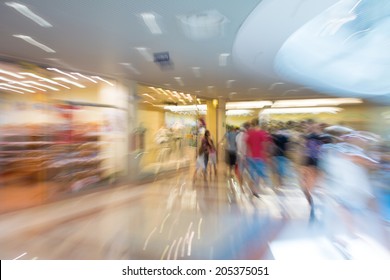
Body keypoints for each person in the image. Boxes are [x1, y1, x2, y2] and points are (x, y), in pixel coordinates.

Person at [245, 118, 271, 197]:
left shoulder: (249, 133)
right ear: (259, 124)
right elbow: (264, 145)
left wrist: (248, 155)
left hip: (250, 157)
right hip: (259, 157)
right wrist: (266, 155)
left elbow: (247, 145)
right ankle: (255, 190)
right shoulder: (262, 133)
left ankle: (252, 189)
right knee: (259, 174)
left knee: (252, 174)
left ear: (252, 124)